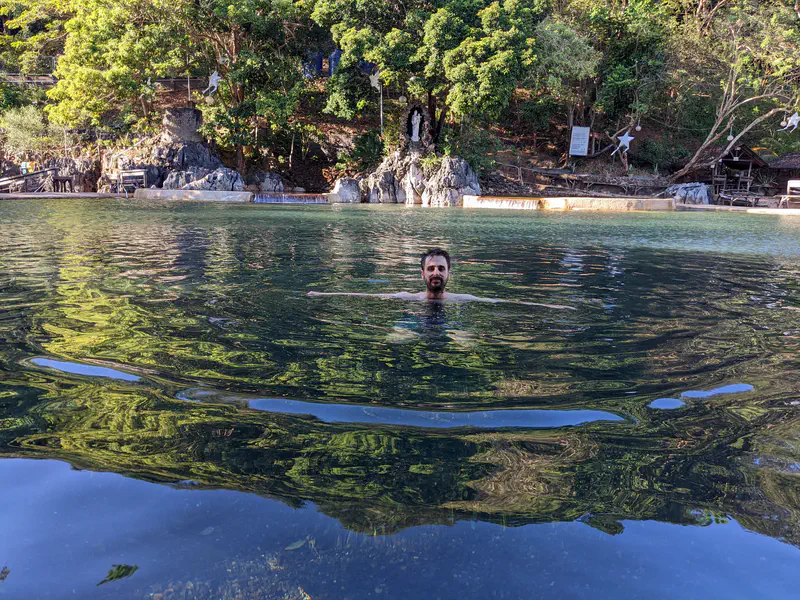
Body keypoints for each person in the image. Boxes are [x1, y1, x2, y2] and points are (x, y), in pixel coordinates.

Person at [308, 248, 574, 309]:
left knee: (466, 345)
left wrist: (550, 306)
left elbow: (501, 301)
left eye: (441, 269)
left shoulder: (462, 299)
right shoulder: (408, 298)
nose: (437, 273)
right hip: (415, 322)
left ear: (449, 274)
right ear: (422, 273)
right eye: (432, 268)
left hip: (451, 325)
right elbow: (367, 296)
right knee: (394, 341)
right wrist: (323, 295)